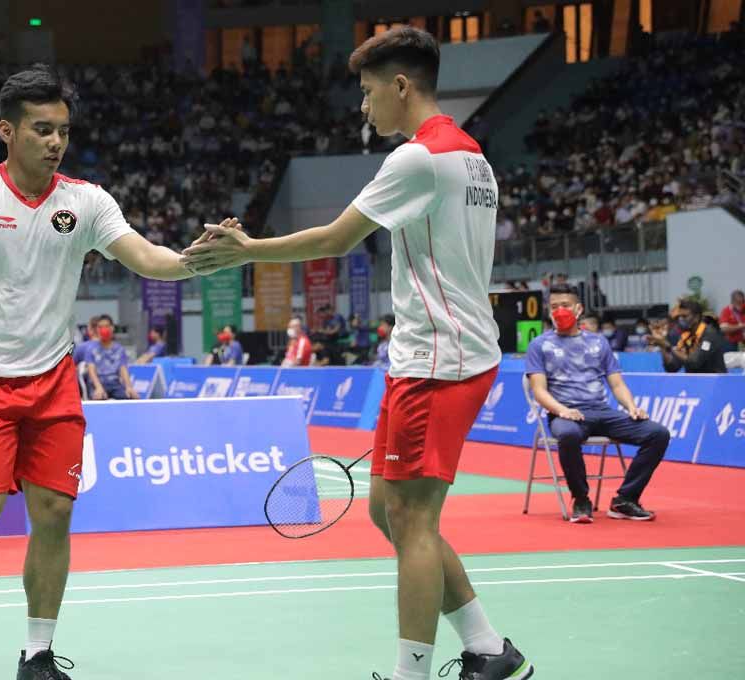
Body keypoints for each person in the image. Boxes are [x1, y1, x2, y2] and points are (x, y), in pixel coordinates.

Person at [181, 27, 532, 680]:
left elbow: (339, 239)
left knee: (414, 520)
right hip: (439, 354)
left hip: (439, 361)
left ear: (402, 86)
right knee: (387, 510)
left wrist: (246, 250)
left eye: (370, 93)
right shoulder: (474, 157)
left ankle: (412, 673)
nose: (364, 109)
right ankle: (486, 647)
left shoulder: (418, 161)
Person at [0, 64, 200, 680]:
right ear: (7, 131)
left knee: (55, 513)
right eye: (41, 129)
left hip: (53, 377)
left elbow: (145, 256)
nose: (55, 141)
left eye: (62, 129)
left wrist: (198, 260)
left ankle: (37, 654)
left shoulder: (86, 201)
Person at [526, 285, 670, 523]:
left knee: (657, 434)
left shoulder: (599, 343)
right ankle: (581, 500)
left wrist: (631, 407)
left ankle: (626, 499)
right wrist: (562, 410)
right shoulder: (539, 345)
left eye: (565, 306)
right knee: (569, 436)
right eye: (554, 307)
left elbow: (617, 385)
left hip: (602, 412)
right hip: (565, 414)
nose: (560, 311)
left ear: (578, 309)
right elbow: (539, 390)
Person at [651, 298, 728, 373]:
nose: (681, 319)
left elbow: (694, 362)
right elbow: (672, 368)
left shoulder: (710, 334)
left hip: (716, 382)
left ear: (696, 317)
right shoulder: (686, 336)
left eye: (685, 316)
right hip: (694, 382)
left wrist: (668, 347)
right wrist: (662, 345)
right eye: (679, 316)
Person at [85, 315, 139, 400]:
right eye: (100, 327)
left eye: (106, 326)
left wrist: (129, 387)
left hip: (115, 384)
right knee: (99, 397)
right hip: (98, 384)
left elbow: (123, 369)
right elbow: (91, 371)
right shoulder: (91, 349)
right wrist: (99, 388)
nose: (103, 329)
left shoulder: (119, 349)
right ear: (97, 330)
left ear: (112, 328)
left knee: (131, 397)